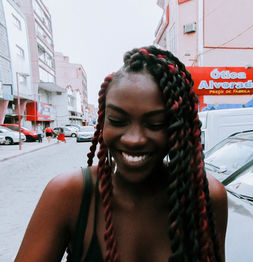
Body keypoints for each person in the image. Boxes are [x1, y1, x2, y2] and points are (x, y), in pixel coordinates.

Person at [15, 46, 228, 262]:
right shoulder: (69, 194)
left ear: (177, 128)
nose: (133, 139)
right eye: (117, 121)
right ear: (103, 121)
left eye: (155, 124)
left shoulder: (206, 196)